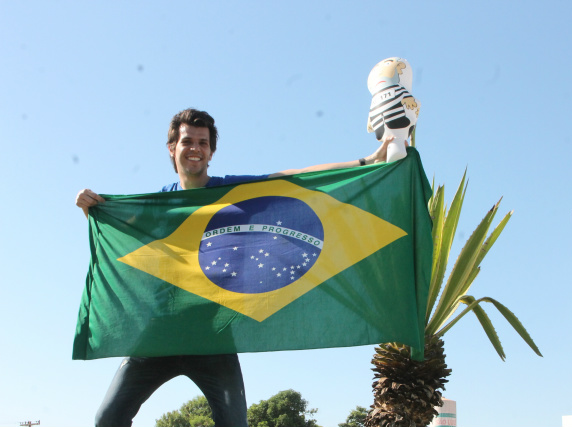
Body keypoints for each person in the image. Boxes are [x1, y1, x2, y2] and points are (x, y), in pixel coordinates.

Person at [76, 108, 396, 427]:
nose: (195, 149)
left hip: (213, 336)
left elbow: (292, 178)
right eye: (187, 141)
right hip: (160, 334)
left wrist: (366, 162)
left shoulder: (232, 193)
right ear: (172, 149)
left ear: (211, 151)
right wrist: (92, 210)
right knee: (108, 418)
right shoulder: (158, 205)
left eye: (203, 142)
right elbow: (116, 228)